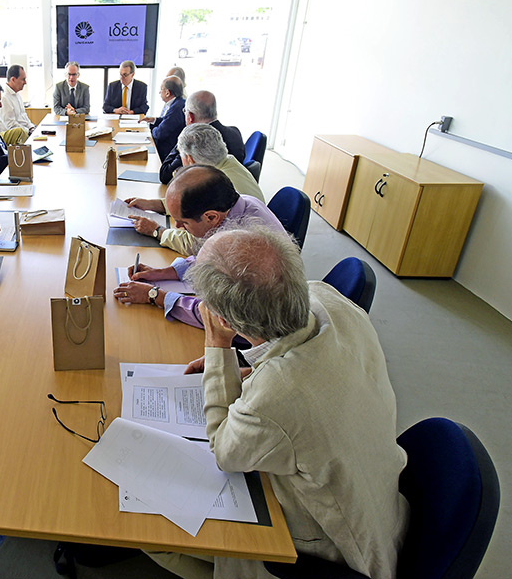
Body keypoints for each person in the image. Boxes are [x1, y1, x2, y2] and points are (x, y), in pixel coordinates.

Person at [147, 226, 408, 579]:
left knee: (152, 534)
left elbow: (224, 450)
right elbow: (302, 364)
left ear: (223, 319)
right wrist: (241, 369)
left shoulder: (275, 395)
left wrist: (217, 347)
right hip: (381, 507)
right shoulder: (328, 299)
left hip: (333, 549)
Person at [112, 165, 286, 329]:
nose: (178, 226)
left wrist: (155, 296)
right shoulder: (240, 204)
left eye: (183, 222)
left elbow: (217, 317)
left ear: (211, 217)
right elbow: (213, 262)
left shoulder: (243, 247)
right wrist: (164, 273)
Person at [135, 123, 263, 205]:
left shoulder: (215, 184)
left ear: (190, 159)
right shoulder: (228, 161)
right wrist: (154, 204)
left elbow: (193, 238)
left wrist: (157, 231)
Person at [160, 90, 245, 171]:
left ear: (190, 116)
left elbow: (165, 173)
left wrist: (185, 135)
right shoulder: (235, 131)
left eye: (185, 111)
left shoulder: (196, 142)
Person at [142, 75, 186, 159]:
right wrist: (154, 120)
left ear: (167, 93)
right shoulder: (178, 102)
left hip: (167, 152)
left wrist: (148, 130)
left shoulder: (176, 108)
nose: (159, 92)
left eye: (161, 89)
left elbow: (160, 133)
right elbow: (167, 121)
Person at [0, 64, 32, 144]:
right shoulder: (4, 97)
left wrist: (32, 127)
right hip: (14, 140)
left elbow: (23, 117)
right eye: (23, 79)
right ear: (13, 79)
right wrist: (28, 131)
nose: (25, 82)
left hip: (24, 134)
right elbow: (10, 125)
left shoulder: (17, 94)